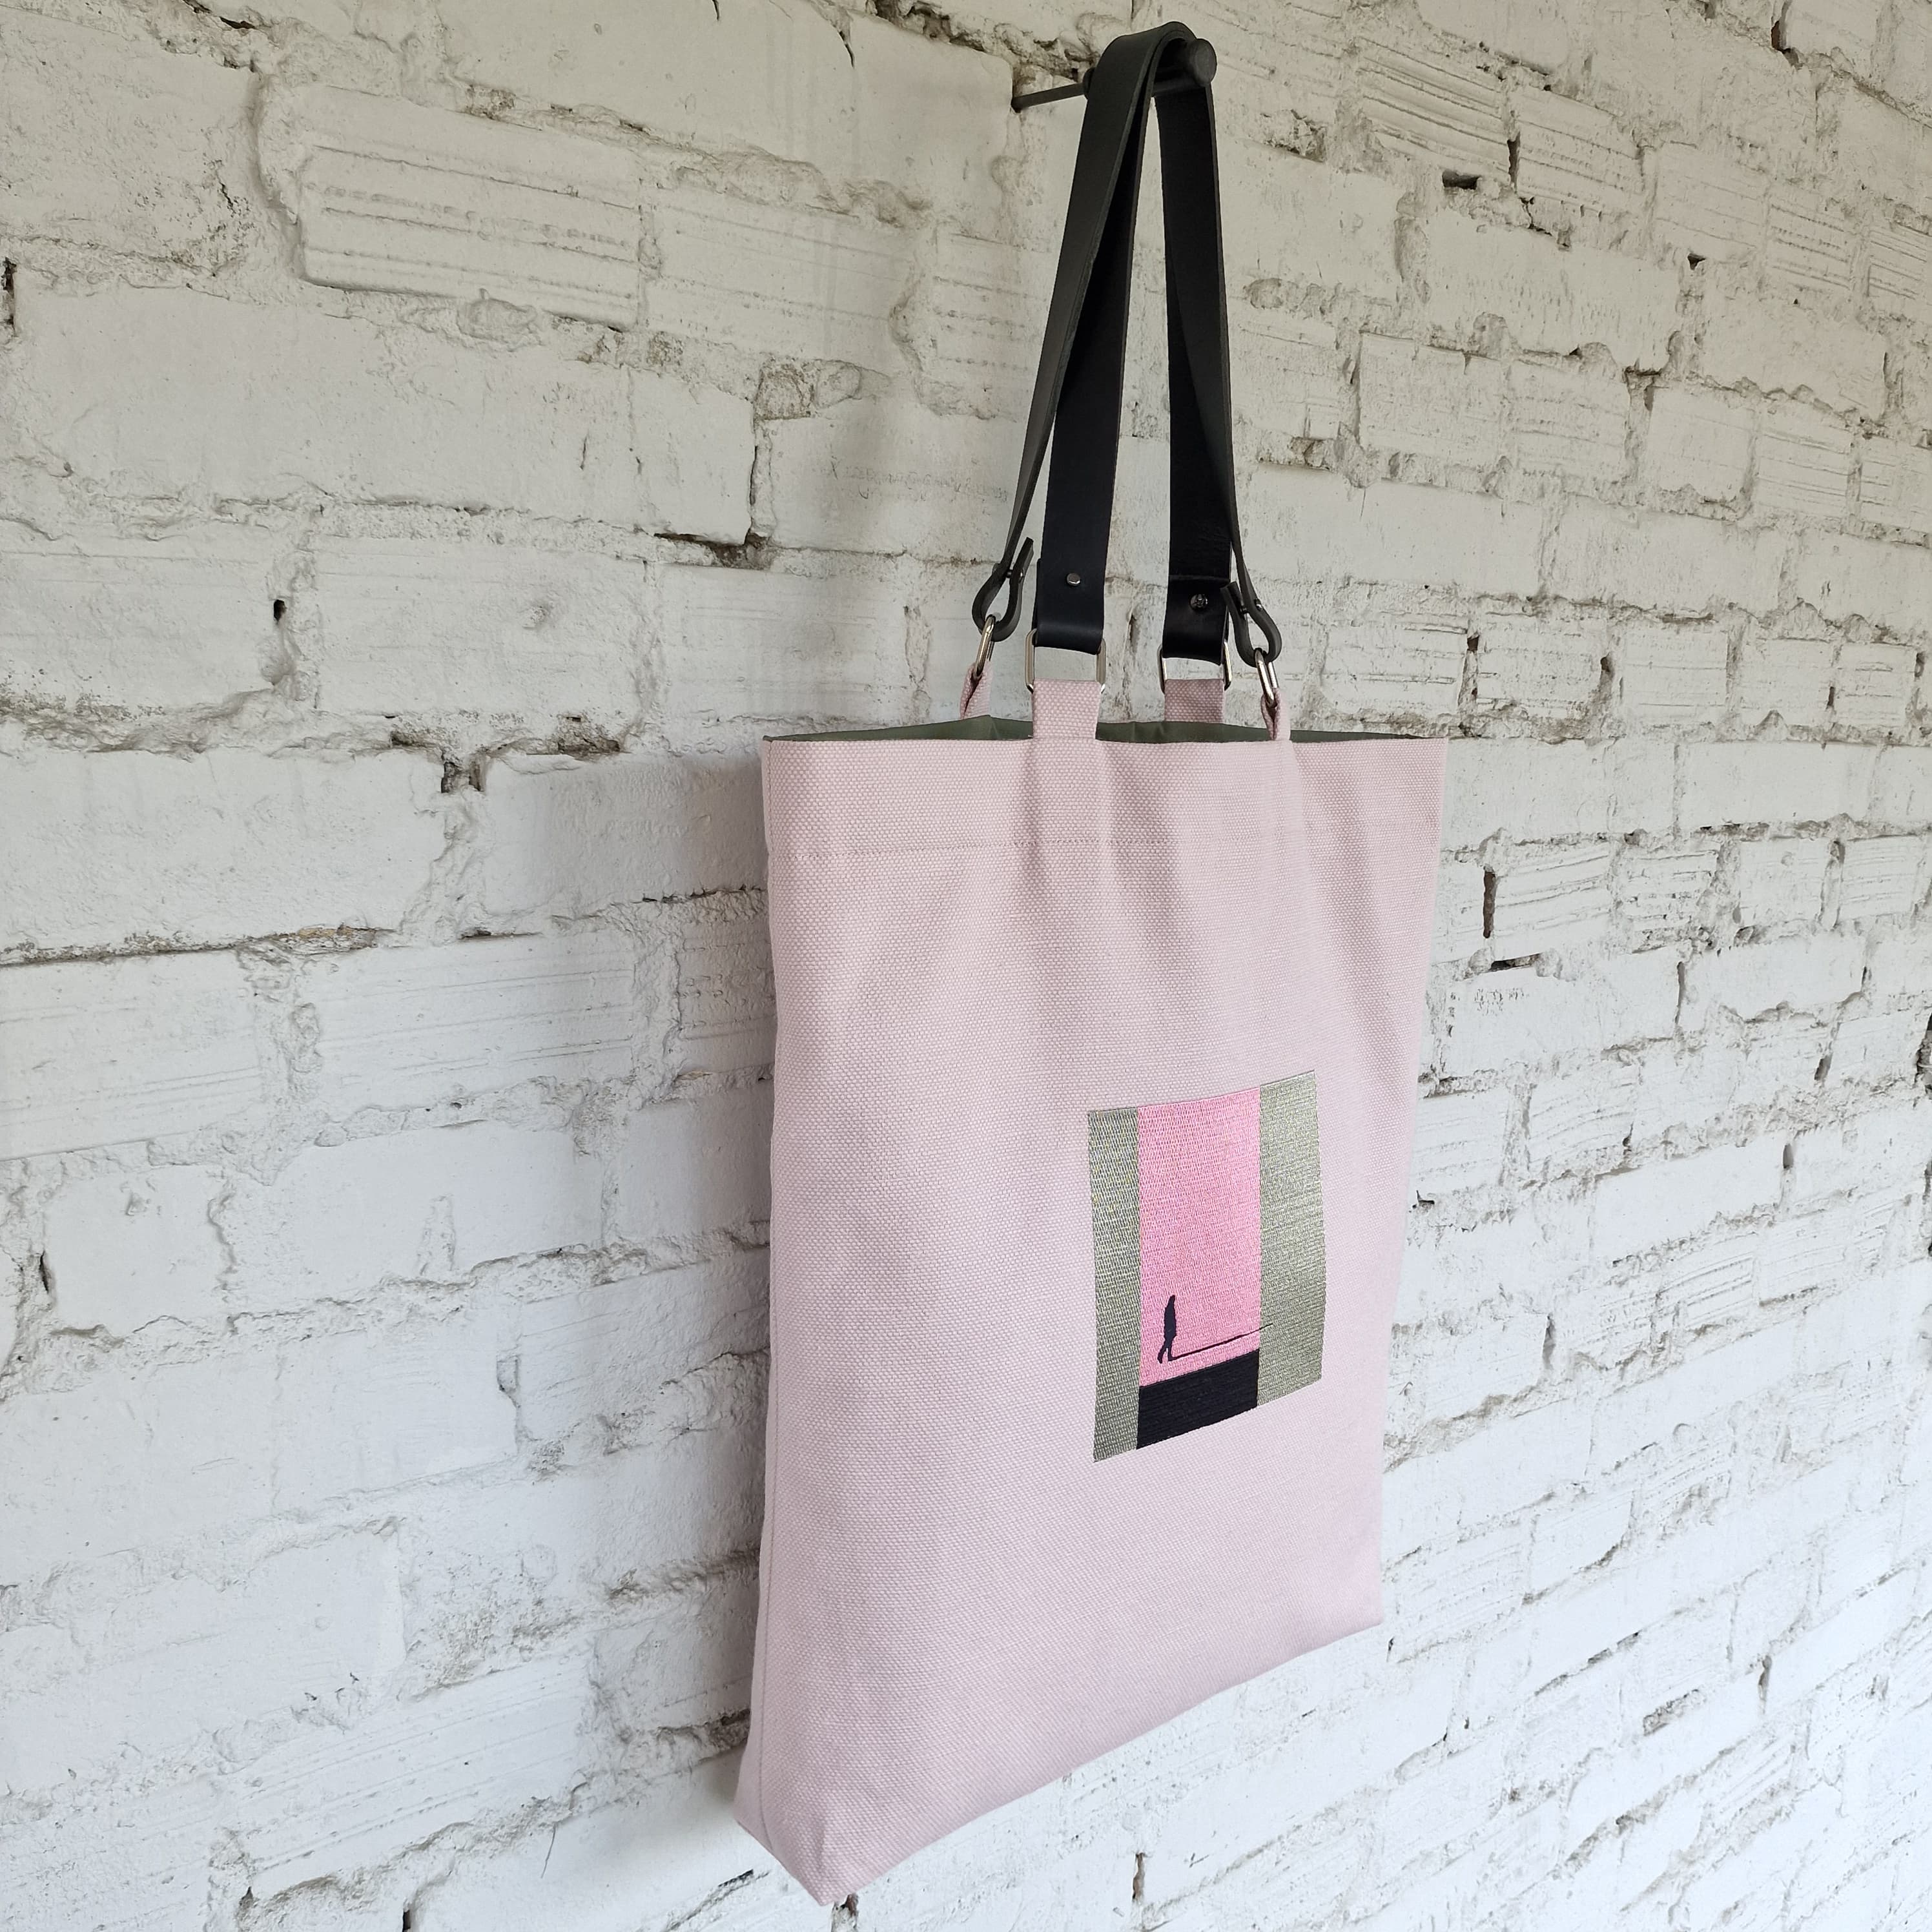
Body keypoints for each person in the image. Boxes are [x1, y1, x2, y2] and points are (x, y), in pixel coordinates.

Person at [1156, 1292, 1177, 1363]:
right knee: (1168, 1343)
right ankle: (1161, 1354)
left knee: (1169, 1343)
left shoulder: (1171, 1308)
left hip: (1171, 1329)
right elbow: (1169, 1320)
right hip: (1169, 1329)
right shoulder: (1169, 1309)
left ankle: (1168, 1356)